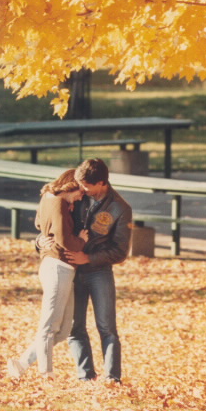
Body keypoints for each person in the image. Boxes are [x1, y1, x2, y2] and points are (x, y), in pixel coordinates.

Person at [7, 169, 88, 380]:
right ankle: (47, 374)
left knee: (62, 330)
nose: (82, 195)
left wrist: (43, 237)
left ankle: (22, 364)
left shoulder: (50, 199)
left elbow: (39, 224)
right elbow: (65, 240)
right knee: (49, 326)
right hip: (57, 267)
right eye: (81, 190)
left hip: (63, 268)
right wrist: (81, 240)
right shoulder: (58, 202)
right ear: (72, 185)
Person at [64, 158, 132, 384]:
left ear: (101, 183)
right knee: (75, 326)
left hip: (99, 271)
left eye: (86, 186)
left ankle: (112, 377)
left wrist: (89, 258)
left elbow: (120, 251)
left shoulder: (120, 208)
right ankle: (86, 375)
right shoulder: (77, 196)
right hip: (72, 270)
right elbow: (53, 225)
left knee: (106, 326)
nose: (82, 190)